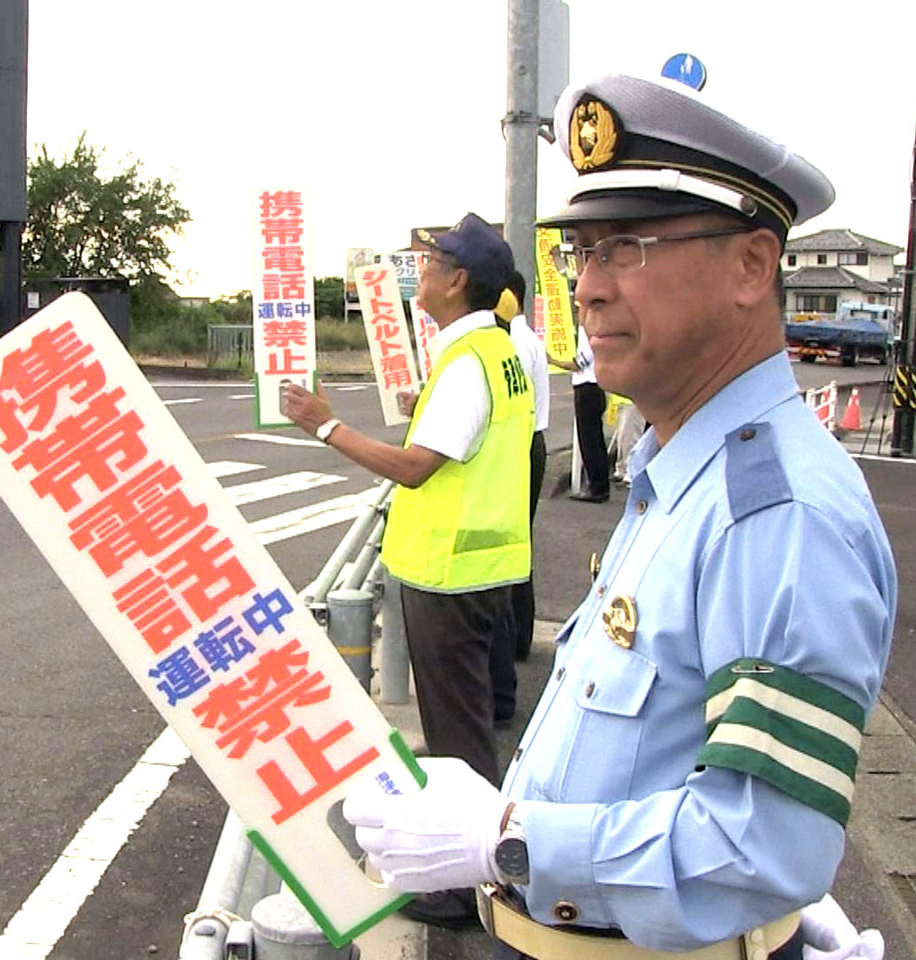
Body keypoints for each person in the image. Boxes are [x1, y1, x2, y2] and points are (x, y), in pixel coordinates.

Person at [344, 72, 896, 959]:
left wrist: (507, 839)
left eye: (626, 248)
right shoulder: (683, 469)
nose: (590, 288)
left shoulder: (776, 515)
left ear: (752, 266)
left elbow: (763, 845)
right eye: (583, 254)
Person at [282, 212, 534, 929]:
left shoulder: (465, 364)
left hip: (449, 576)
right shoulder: (497, 349)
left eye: (430, 264)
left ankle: (465, 889)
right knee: (469, 728)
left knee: (456, 741)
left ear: (458, 282)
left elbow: (416, 469)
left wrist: (327, 426)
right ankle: (481, 874)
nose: (417, 273)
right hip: (485, 567)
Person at [505, 269, 549, 664]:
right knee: (518, 543)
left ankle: (515, 639)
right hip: (528, 442)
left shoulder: (515, 341)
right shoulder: (523, 337)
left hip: (520, 445)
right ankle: (517, 638)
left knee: (512, 546)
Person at [547, 323, 609, 501]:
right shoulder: (591, 332)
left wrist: (552, 361)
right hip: (594, 388)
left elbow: (578, 364)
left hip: (588, 388)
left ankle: (597, 488)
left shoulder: (589, 334)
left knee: (590, 441)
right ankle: (598, 485)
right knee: (594, 440)